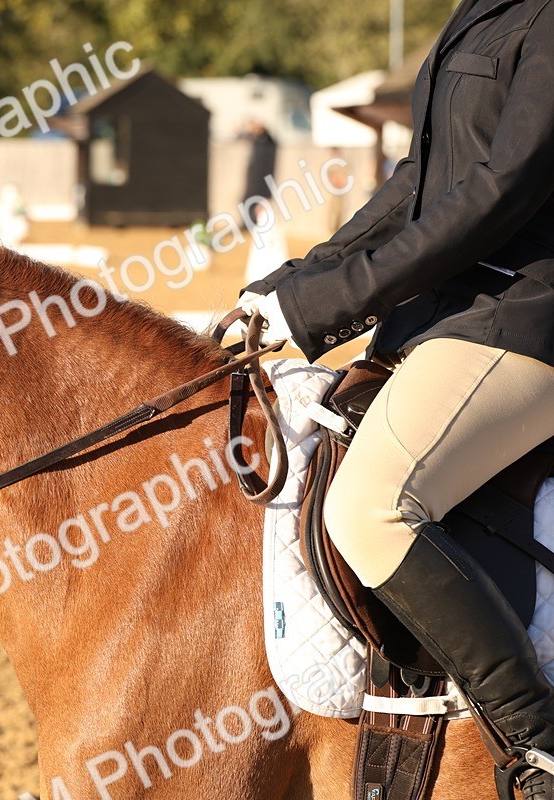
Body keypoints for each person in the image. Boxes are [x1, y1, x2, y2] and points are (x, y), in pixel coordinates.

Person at [236, 0, 554, 795]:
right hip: (448, 313)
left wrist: (325, 305)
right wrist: (296, 282)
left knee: (370, 506)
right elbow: (420, 179)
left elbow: (501, 190)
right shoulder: (482, 11)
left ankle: (539, 745)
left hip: (523, 313)